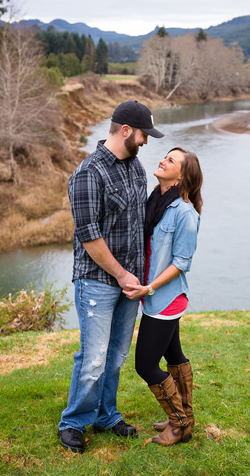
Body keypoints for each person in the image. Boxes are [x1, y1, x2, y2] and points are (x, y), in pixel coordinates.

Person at [59, 100, 164, 453]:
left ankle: (106, 415)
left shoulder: (135, 167)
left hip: (129, 283)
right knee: (92, 357)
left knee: (116, 355)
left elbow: (140, 221)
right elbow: (89, 237)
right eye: (143, 134)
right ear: (125, 131)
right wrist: (121, 275)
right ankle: (73, 422)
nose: (146, 141)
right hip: (98, 282)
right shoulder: (88, 174)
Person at [123, 147, 202, 446]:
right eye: (165, 156)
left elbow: (182, 262)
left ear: (182, 175)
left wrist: (149, 288)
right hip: (155, 297)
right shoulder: (156, 200)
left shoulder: (184, 212)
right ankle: (182, 419)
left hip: (165, 299)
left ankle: (179, 425)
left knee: (145, 364)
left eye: (171, 160)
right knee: (175, 357)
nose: (162, 160)